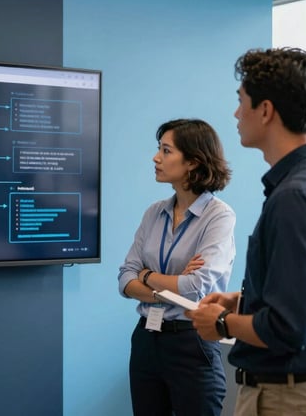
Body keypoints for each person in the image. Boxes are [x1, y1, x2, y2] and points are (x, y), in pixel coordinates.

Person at [187, 47, 306, 416]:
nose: (236, 114)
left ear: (265, 110)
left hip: (290, 400)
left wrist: (221, 322)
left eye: (242, 101)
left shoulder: (296, 196)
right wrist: (242, 302)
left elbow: (290, 327)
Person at [118, 118, 236, 416]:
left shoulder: (219, 217)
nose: (156, 158)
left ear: (193, 163)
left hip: (190, 341)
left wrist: (147, 276)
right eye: (159, 149)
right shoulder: (153, 213)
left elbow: (195, 286)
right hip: (146, 338)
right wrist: (164, 287)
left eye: (166, 151)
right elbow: (124, 278)